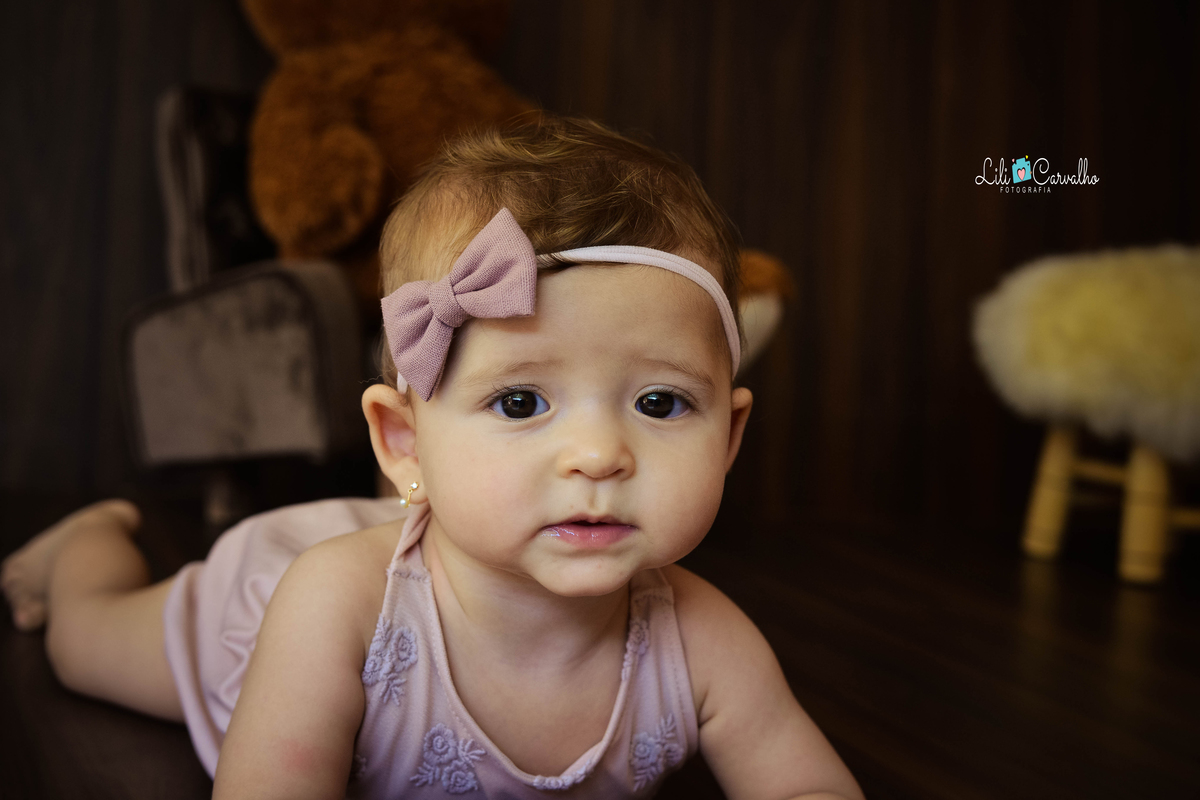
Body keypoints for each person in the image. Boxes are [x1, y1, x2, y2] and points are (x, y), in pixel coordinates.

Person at [2, 117, 863, 800]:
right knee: (83, 643)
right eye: (522, 402)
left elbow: (807, 785)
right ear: (403, 442)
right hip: (259, 612)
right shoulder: (328, 607)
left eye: (660, 403)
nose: (601, 455)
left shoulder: (706, 643)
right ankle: (86, 542)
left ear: (731, 438)